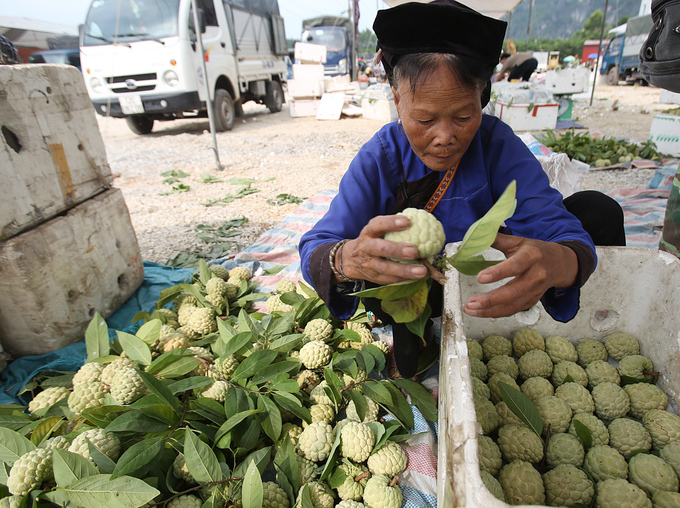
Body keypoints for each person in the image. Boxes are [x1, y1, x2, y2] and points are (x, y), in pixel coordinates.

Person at [298, 0, 617, 378]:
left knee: (598, 211)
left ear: (482, 96)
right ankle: (418, 344)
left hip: (488, 279)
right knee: (395, 285)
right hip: (416, 290)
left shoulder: (496, 145)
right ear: (398, 100)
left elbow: (554, 223)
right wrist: (346, 258)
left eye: (464, 117)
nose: (445, 138)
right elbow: (318, 243)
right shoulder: (381, 157)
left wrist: (560, 261)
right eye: (425, 119)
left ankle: (590, 327)